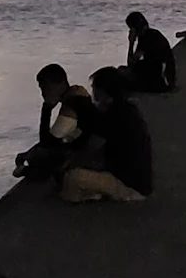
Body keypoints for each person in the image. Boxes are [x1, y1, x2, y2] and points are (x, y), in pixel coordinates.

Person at [61, 67, 153, 202]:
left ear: (103, 91)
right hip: (135, 179)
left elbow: (94, 124)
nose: (92, 91)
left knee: (72, 179)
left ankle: (97, 195)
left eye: (94, 87)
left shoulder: (117, 115)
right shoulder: (126, 110)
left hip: (129, 185)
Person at [12, 64, 88, 179]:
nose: (43, 93)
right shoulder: (77, 92)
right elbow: (53, 138)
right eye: (41, 89)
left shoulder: (71, 105)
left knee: (40, 157)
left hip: (84, 152)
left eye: (46, 88)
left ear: (61, 84)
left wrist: (46, 110)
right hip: (80, 144)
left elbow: (46, 143)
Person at [125, 11, 176, 92]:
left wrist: (131, 43)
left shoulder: (147, 38)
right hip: (165, 72)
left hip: (160, 75)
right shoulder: (153, 33)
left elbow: (131, 62)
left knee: (128, 72)